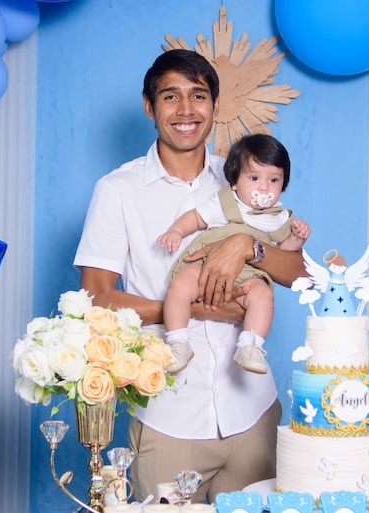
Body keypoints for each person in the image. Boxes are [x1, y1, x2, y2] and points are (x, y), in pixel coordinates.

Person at [73, 49, 306, 503]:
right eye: (170, 96)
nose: (186, 110)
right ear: (149, 106)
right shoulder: (118, 190)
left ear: (216, 107)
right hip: (168, 413)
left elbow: (299, 274)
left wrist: (248, 245)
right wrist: (192, 309)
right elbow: (95, 299)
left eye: (198, 96)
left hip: (253, 410)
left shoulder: (244, 178)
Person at [156, 134, 310, 375]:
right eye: (254, 178)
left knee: (262, 297)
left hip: (251, 274)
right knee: (180, 286)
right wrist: (176, 231)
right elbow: (197, 218)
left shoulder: (279, 218)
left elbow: (282, 257)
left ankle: (250, 346)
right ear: (235, 182)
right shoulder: (227, 202)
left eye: (274, 180)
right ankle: (178, 342)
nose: (264, 187)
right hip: (208, 262)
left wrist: (295, 239)